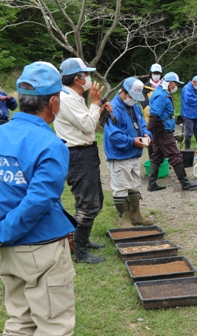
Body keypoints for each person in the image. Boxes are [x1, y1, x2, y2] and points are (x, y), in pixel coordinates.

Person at [0, 61, 76, 335]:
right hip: (40, 248)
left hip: (8, 253)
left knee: (19, 321)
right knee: (53, 325)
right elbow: (38, 201)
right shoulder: (50, 144)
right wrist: (4, 232)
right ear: (54, 102)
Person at [54, 57, 110, 264]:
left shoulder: (75, 97)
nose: (89, 78)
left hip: (86, 150)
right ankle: (81, 251)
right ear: (77, 79)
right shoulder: (66, 98)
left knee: (95, 200)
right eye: (86, 74)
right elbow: (87, 126)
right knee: (87, 203)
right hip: (77, 154)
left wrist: (101, 112)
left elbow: (92, 127)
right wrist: (95, 103)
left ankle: (82, 240)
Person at [104, 77, 153, 227]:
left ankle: (136, 215)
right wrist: (132, 141)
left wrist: (146, 135)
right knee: (120, 187)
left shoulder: (135, 106)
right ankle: (125, 220)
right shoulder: (112, 109)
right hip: (119, 156)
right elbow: (114, 136)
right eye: (131, 96)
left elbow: (142, 124)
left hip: (134, 154)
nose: (133, 100)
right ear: (123, 92)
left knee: (133, 185)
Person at [147, 72, 197, 191]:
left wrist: (175, 120)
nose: (176, 86)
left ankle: (152, 184)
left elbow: (161, 114)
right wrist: (148, 133)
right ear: (169, 82)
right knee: (175, 156)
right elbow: (154, 115)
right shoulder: (161, 96)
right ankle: (185, 183)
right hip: (163, 132)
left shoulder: (162, 93)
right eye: (175, 83)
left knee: (157, 156)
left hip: (162, 129)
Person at [141, 63, 163, 158]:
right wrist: (153, 113)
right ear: (150, 73)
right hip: (150, 118)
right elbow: (144, 103)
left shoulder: (164, 85)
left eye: (158, 73)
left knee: (162, 140)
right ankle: (152, 159)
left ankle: (163, 160)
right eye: (154, 73)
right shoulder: (145, 87)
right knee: (151, 140)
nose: (156, 75)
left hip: (162, 119)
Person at [181, 75, 197, 150]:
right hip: (188, 114)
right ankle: (187, 148)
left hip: (194, 114)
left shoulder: (194, 89)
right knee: (189, 132)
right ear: (194, 81)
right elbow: (189, 100)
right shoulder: (187, 88)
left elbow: (195, 99)